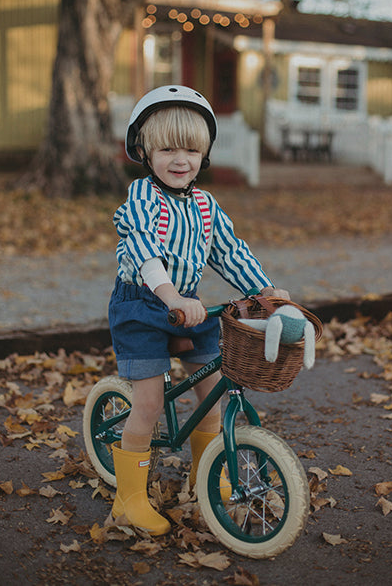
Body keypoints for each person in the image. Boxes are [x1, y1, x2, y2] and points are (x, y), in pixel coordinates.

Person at [107, 85, 290, 535]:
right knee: (148, 405)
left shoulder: (206, 205)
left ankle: (202, 475)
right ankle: (128, 499)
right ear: (144, 151)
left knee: (212, 393)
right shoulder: (142, 197)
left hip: (192, 308)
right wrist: (170, 297)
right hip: (144, 305)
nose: (180, 159)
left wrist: (264, 290)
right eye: (167, 148)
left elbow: (229, 251)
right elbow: (146, 250)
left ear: (204, 153)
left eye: (191, 148)